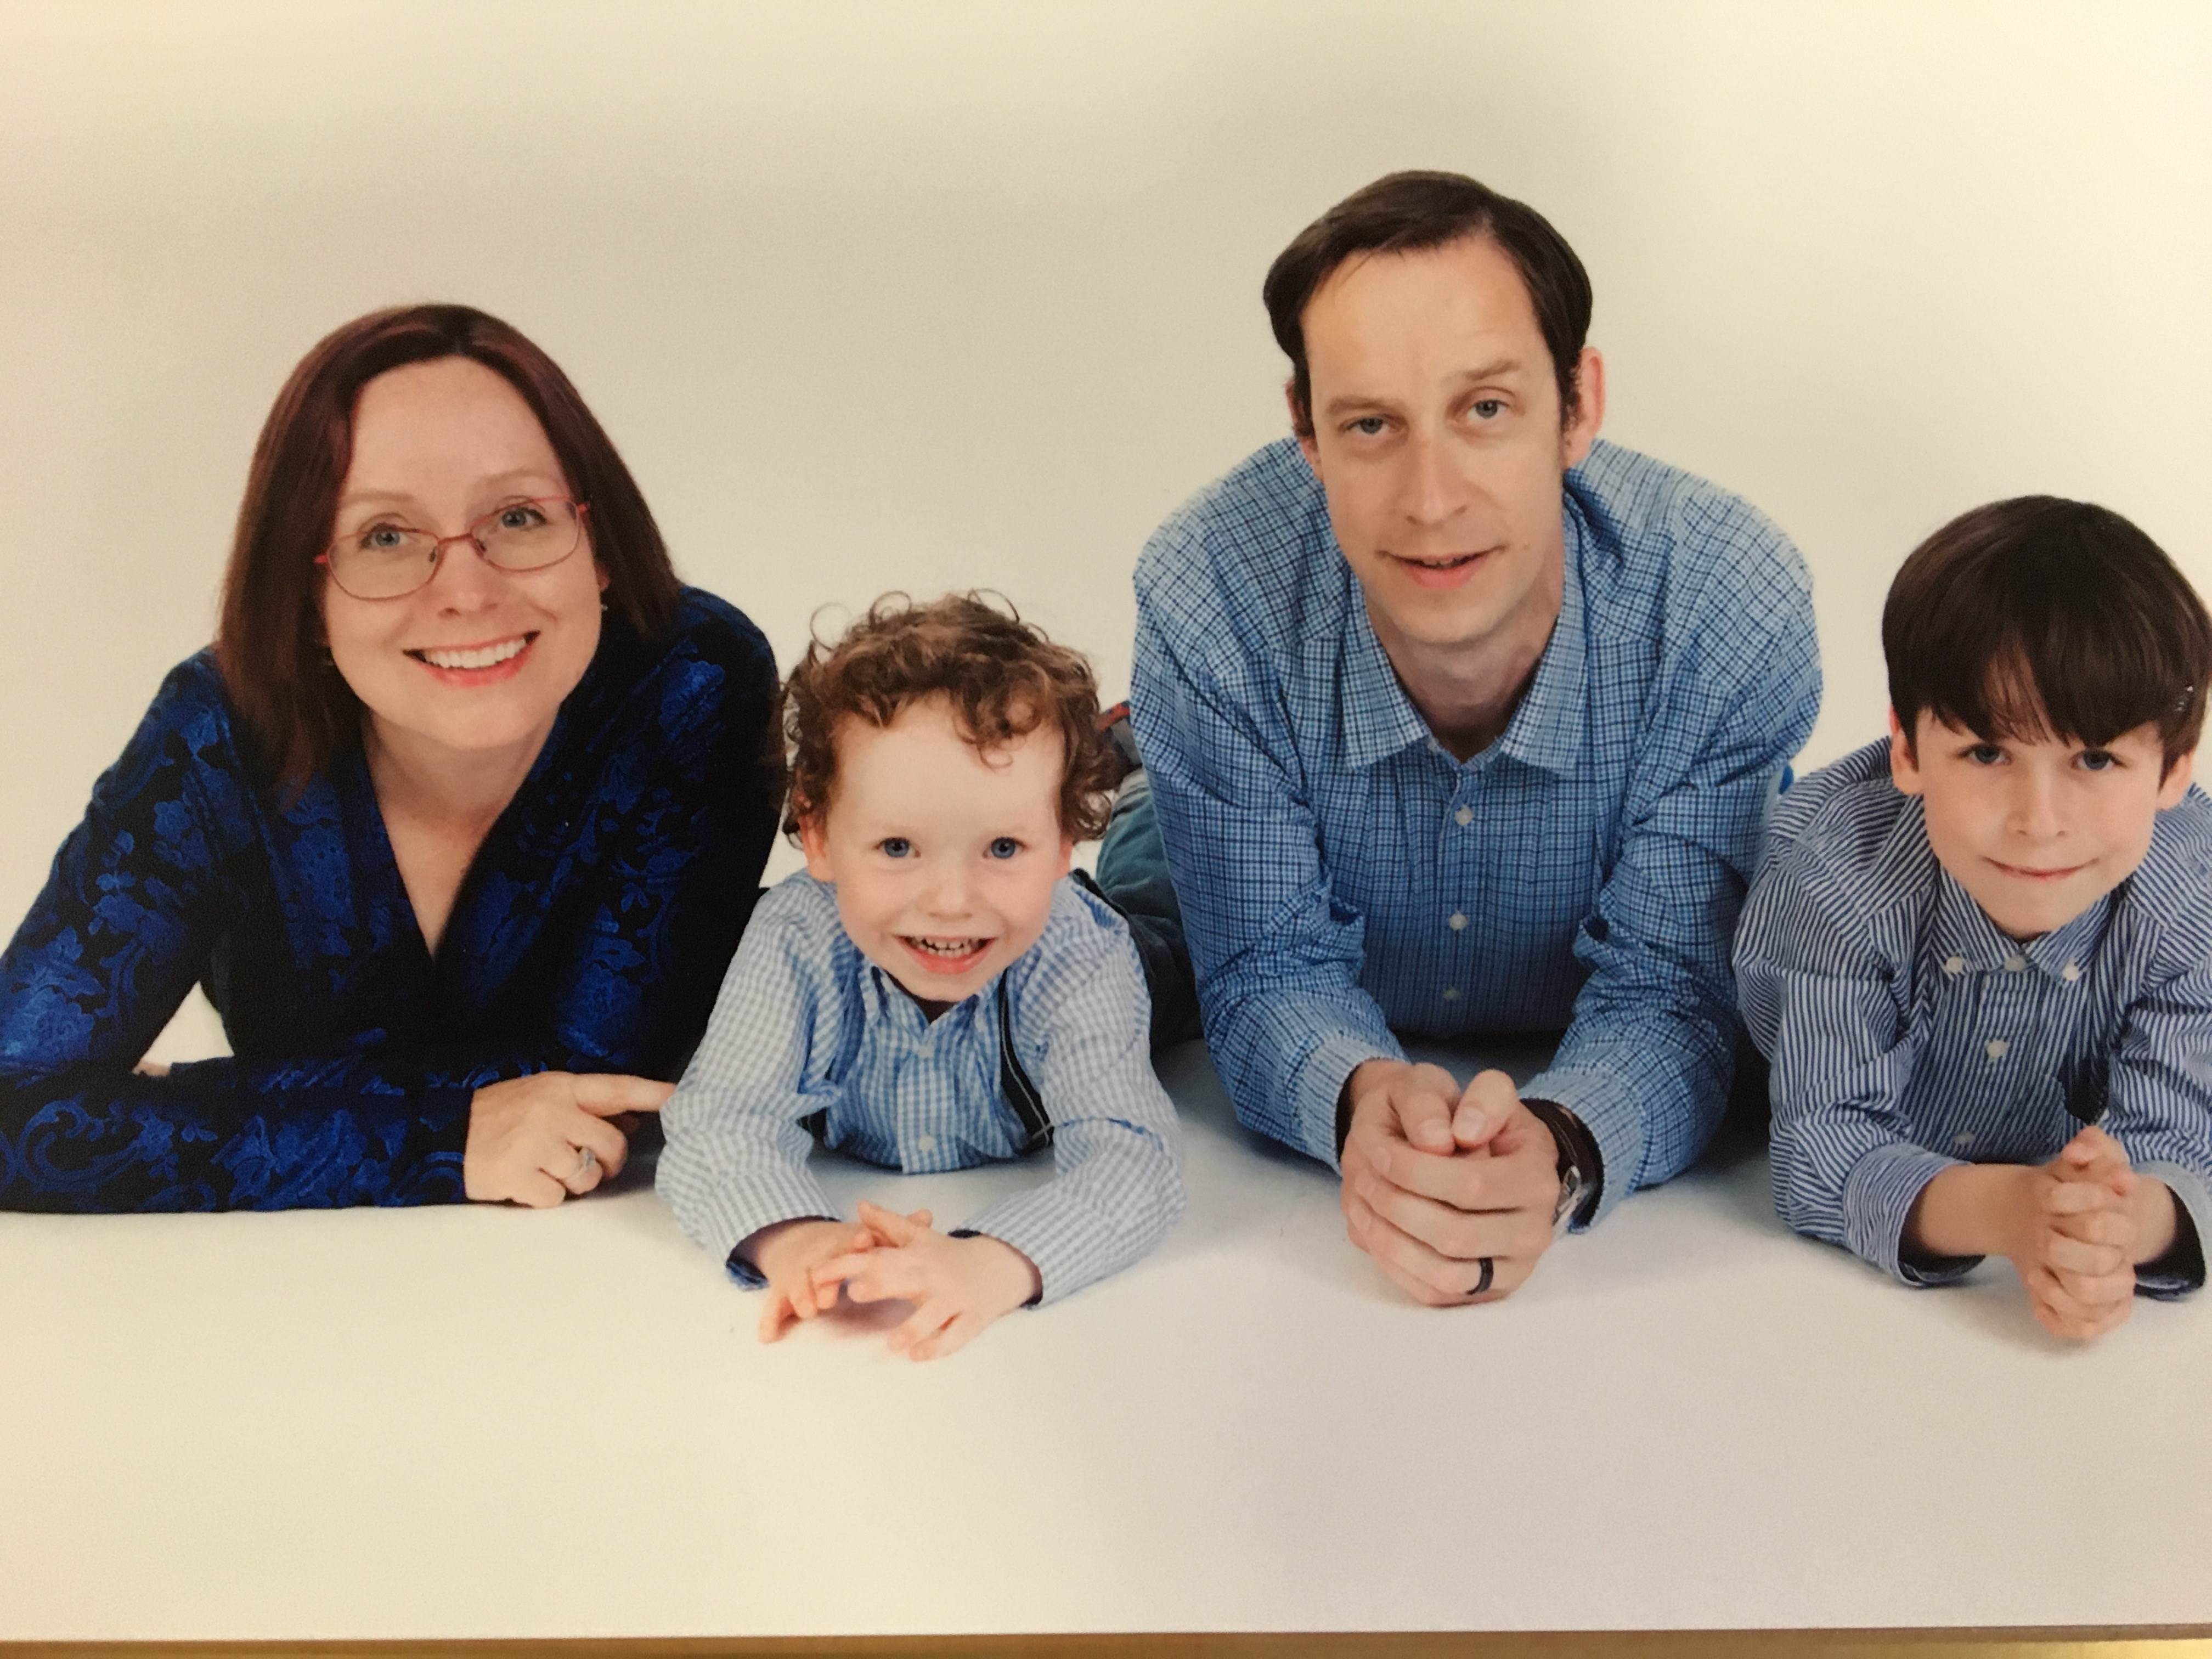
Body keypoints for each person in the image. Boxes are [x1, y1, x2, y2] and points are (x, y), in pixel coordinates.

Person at [1102, 170, 1820, 1306]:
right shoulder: (1209, 586)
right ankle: (1143, 755)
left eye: (1485, 410)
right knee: (1134, 922)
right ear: (1305, 431)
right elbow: (1266, 968)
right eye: (1370, 424)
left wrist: (1566, 1141)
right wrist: (1356, 1099)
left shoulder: (1728, 595)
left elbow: (1676, 993)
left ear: (1578, 406)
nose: (1431, 499)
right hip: (1207, 803)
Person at [0, 304, 781, 1211]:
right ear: (304, 593)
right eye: (384, 537)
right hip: (300, 1299)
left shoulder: (690, 683)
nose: (467, 592)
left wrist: (173, 1106)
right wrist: (440, 1145)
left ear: (600, 546)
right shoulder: (217, 732)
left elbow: (599, 1083)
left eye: (520, 517)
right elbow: (15, 1105)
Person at [658, 594, 1183, 1362]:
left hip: (1111, 949)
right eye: (898, 847)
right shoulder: (794, 943)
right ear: (817, 834)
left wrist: (995, 1262)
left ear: (1066, 837)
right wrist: (796, 1240)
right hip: (975, 925)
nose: (949, 902)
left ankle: (1138, 787)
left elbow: (1133, 1159)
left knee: (1174, 919)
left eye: (1004, 847)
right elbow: (719, 1121)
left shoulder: (1082, 954)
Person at [1736, 497, 2210, 1339]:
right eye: (1987, 753)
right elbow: (1819, 1147)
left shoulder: (2190, 894)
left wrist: (2111, 1232)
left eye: (2096, 759)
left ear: (2173, 770)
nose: (2039, 820)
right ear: (1908, 752)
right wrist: (2012, 1214)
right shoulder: (1834, 873)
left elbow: (2178, 1142)